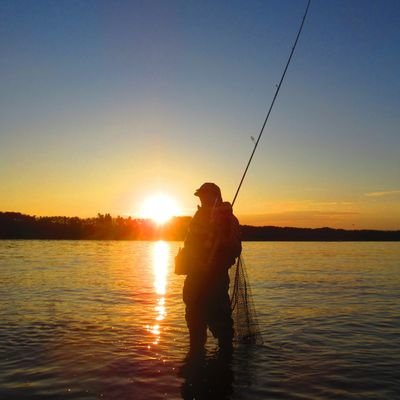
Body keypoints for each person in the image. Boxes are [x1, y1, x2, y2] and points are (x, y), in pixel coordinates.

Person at [175, 182, 242, 355]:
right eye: (201, 196)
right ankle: (195, 368)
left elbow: (236, 248)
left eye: (206, 196)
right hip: (194, 284)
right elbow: (190, 247)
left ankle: (224, 369)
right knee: (195, 332)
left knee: (223, 332)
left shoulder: (229, 219)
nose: (203, 199)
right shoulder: (197, 219)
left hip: (215, 283)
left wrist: (223, 235)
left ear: (216, 197)